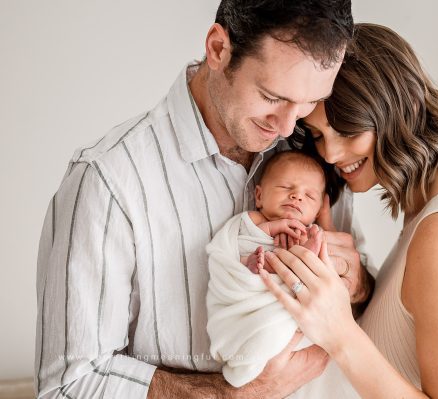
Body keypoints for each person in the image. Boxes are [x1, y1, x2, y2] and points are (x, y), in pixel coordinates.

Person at [34, 2, 376, 398]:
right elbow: (69, 385)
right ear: (218, 49)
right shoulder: (108, 181)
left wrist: (358, 285)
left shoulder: (316, 152)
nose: (286, 125)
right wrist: (235, 394)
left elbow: (362, 299)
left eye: (308, 102)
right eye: (271, 96)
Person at [261, 23, 438, 398]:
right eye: (318, 135)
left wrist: (338, 331)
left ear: (402, 107)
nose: (329, 154)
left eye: (347, 131)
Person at [206, 150, 328, 388]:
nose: (296, 196)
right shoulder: (252, 219)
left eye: (309, 196)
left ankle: (256, 357)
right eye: (285, 187)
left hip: (277, 304)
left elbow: (317, 280)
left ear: (317, 211)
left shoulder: (308, 233)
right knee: (253, 261)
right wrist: (274, 228)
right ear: (259, 195)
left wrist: (309, 246)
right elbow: (234, 246)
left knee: (301, 283)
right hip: (245, 285)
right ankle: (256, 266)